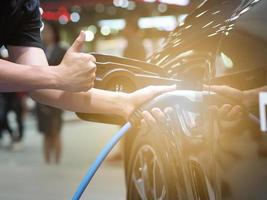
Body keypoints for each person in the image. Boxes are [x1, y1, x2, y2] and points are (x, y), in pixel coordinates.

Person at [0, 0, 175, 145]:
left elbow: (41, 85)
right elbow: (51, 78)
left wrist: (125, 103)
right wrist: (59, 75)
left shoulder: (26, 6)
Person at [36, 22, 66, 164]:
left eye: (47, 31)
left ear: (54, 33)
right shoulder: (39, 50)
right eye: (43, 32)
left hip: (57, 96)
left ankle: (57, 160)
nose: (44, 35)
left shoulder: (61, 50)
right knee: (46, 132)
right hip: (42, 98)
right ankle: (47, 161)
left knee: (55, 130)